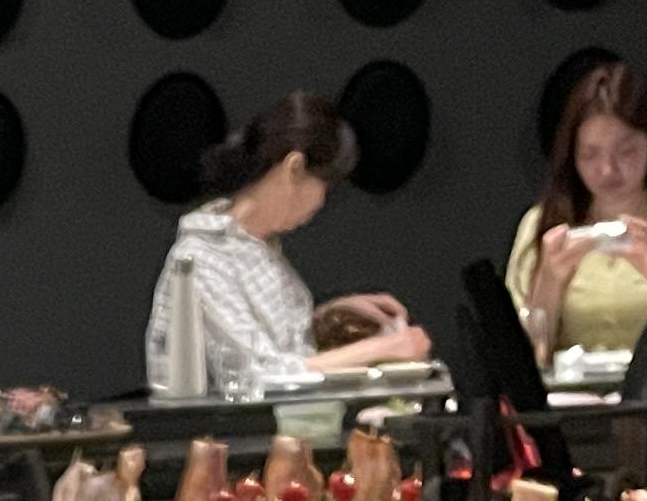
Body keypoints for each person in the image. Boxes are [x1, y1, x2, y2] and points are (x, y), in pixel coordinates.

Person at [146, 93, 432, 396]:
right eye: (325, 187)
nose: (321, 203)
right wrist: (382, 348)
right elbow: (259, 376)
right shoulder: (202, 258)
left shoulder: (254, 245)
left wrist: (329, 317)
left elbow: (274, 344)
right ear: (294, 168)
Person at [507, 60, 647, 362]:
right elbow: (519, 360)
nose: (608, 170)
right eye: (590, 154)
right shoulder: (541, 224)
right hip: (572, 390)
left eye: (626, 151)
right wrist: (549, 279)